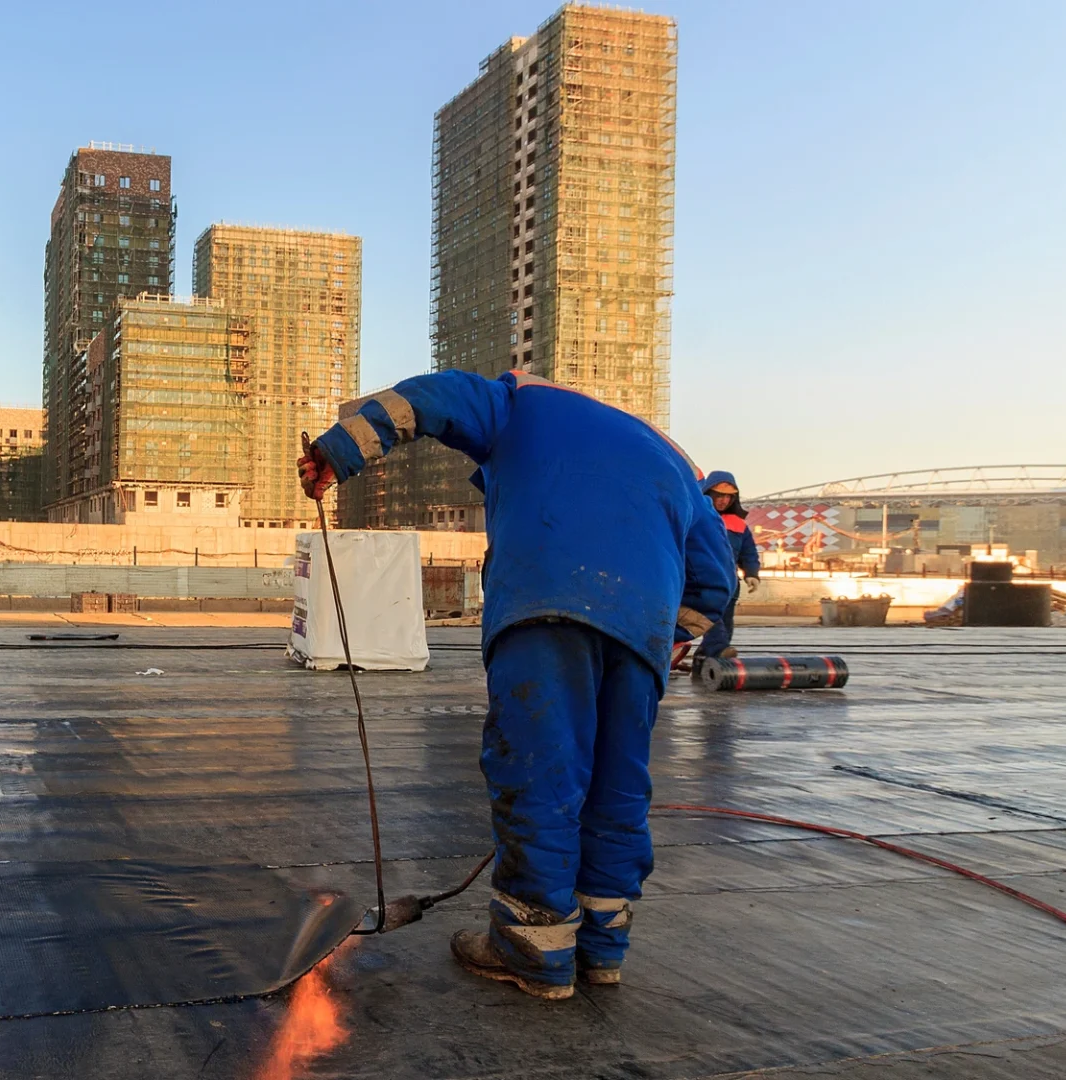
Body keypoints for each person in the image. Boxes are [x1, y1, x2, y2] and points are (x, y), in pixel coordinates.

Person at [298, 370, 735, 1000]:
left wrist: (334, 453)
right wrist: (664, 641)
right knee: (616, 787)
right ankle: (600, 952)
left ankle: (533, 947)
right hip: (640, 632)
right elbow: (715, 582)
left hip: (546, 603)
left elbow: (424, 401)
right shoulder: (668, 456)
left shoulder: (518, 401)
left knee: (540, 774)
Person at [698, 471, 761, 660]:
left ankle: (706, 658)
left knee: (726, 621)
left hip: (730, 584)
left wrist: (752, 573)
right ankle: (718, 650)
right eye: (719, 495)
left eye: (728, 496)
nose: (724, 500)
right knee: (712, 618)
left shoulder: (739, 524)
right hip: (704, 580)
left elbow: (748, 552)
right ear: (708, 494)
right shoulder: (697, 519)